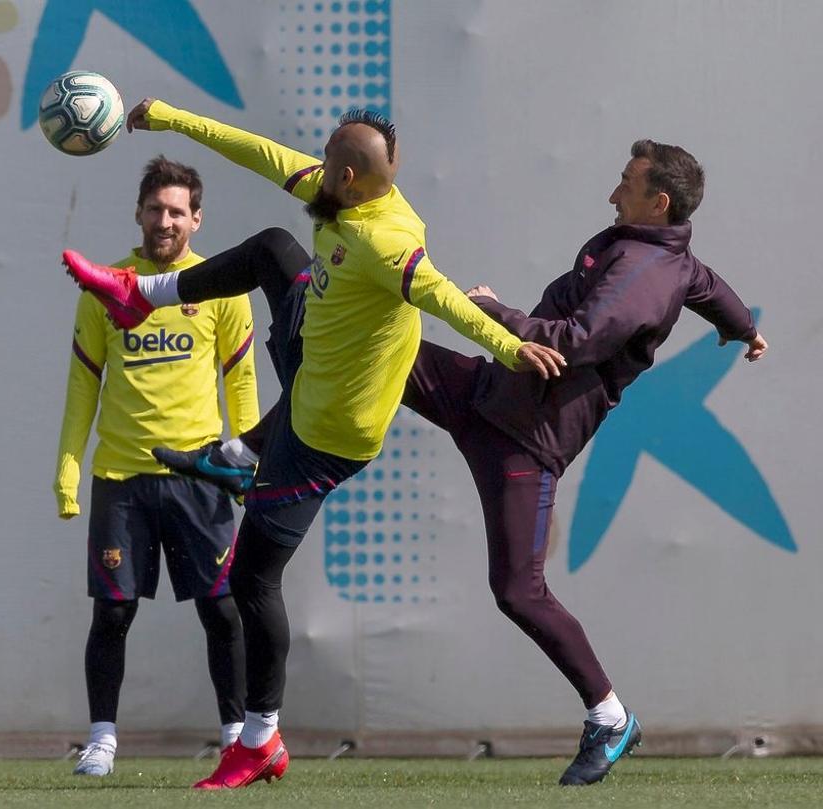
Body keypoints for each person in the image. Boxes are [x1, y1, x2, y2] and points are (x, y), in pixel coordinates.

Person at [168, 139, 768, 786]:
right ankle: (243, 453)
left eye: (626, 182)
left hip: (524, 439)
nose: (612, 191)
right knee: (363, 347)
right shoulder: (659, 251)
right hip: (486, 392)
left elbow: (577, 341)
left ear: (660, 201)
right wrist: (742, 327)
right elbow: (707, 284)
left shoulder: (644, 276)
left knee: (517, 590)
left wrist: (492, 309)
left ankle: (611, 716)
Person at [62, 99, 565, 789]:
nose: (314, 167)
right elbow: (261, 152)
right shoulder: (347, 198)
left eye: (327, 161)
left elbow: (444, 297)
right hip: (312, 355)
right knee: (273, 245)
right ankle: (150, 303)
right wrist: (172, 117)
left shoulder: (387, 243)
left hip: (325, 432)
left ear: (352, 178)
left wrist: (513, 347)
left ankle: (259, 740)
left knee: (250, 579)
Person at [54, 156, 259, 777]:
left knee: (221, 609)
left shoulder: (221, 287)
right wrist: (68, 468)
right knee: (112, 613)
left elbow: (242, 383)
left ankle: (235, 736)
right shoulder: (108, 286)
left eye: (177, 211)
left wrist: (247, 462)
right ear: (138, 213)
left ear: (196, 219)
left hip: (200, 477)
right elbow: (82, 385)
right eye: (155, 209)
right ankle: (102, 740)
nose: (164, 221)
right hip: (121, 478)